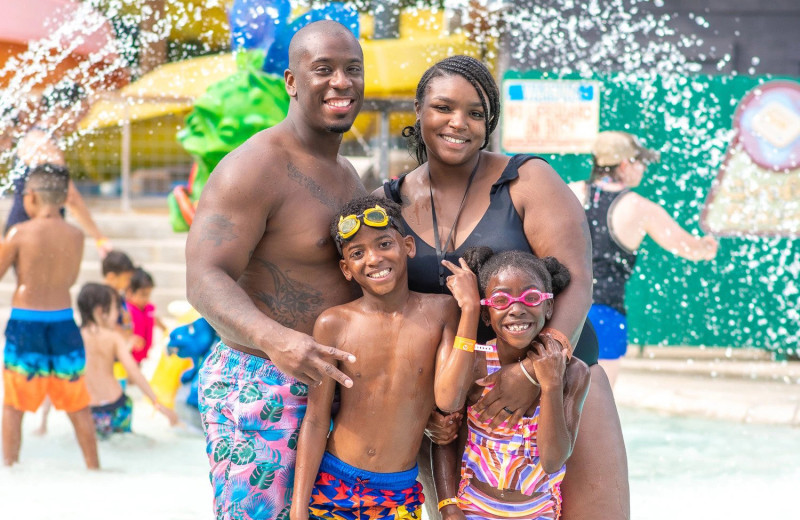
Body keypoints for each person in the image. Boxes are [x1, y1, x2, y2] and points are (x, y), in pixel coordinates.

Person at [377, 55, 629, 519]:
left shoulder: (529, 180)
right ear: (417, 110)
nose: (459, 123)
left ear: (490, 122)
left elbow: (579, 282)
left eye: (476, 113)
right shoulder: (384, 207)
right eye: (444, 108)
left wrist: (533, 373)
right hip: (455, 417)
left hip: (564, 382)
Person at [185, 20, 367, 520]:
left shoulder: (349, 176)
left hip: (331, 387)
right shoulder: (255, 166)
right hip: (261, 381)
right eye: (323, 69)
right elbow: (203, 278)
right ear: (290, 81)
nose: (341, 82)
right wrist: (275, 339)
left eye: (353, 69)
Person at [291, 196, 481, 520]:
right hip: (334, 483)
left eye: (383, 244)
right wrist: (297, 510)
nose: (374, 259)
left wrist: (471, 310)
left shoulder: (443, 312)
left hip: (399, 494)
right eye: (357, 253)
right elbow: (315, 418)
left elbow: (449, 398)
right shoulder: (333, 324)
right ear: (345, 269)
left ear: (408, 245)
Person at [434, 247, 590, 520]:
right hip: (474, 507)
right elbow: (445, 435)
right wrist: (448, 506)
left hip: (539, 511)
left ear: (549, 306)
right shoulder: (475, 365)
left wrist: (551, 384)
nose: (516, 309)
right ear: (486, 314)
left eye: (531, 298)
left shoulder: (573, 372)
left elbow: (553, 460)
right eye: (500, 300)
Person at [568, 131, 719, 386]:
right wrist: (706, 247)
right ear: (625, 165)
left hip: (566, 310)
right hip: (606, 313)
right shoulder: (639, 208)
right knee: (598, 405)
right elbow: (687, 248)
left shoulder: (568, 192)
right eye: (642, 163)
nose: (644, 169)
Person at [0, 164, 99, 469]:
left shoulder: (19, 232)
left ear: (30, 197)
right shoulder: (76, 236)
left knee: (15, 405)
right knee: (77, 404)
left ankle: (11, 468)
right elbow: (68, 279)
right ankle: (94, 467)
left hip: (26, 322)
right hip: (63, 323)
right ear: (63, 198)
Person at [5, 80, 112, 257]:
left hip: (32, 227)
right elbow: (70, 197)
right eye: (82, 110)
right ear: (61, 109)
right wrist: (99, 237)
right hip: (31, 230)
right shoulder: (43, 143)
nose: (85, 116)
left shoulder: (42, 137)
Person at [77, 282, 178, 438]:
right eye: (115, 309)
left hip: (88, 410)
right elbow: (134, 371)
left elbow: (62, 375)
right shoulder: (113, 338)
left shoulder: (75, 337)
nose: (118, 314)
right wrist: (157, 404)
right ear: (100, 311)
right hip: (117, 406)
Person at [125, 267, 169, 364]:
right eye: (143, 295)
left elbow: (154, 320)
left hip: (144, 356)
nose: (146, 299)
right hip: (129, 357)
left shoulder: (147, 309)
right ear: (130, 292)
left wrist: (166, 330)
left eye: (148, 295)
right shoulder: (127, 310)